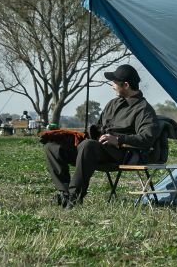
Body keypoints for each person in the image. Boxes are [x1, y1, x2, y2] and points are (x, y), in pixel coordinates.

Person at [43, 64, 157, 208]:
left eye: (114, 82)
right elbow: (97, 128)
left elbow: (147, 138)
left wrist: (118, 140)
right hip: (93, 150)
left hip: (119, 154)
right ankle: (65, 194)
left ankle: (75, 197)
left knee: (87, 145)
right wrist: (71, 136)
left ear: (126, 85)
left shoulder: (144, 109)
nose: (112, 85)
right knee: (52, 146)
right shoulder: (112, 103)